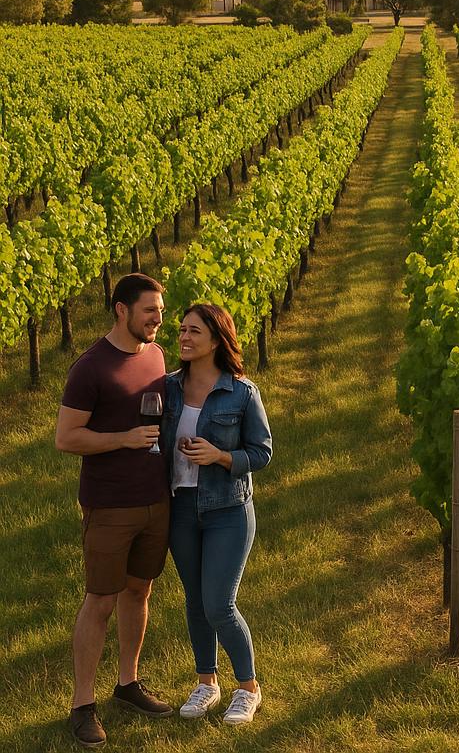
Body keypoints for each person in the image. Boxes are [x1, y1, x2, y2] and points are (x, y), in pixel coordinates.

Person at [56, 273, 175, 748]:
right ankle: (82, 704)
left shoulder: (156, 355)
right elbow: (67, 438)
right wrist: (123, 439)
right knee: (100, 600)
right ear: (121, 310)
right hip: (109, 504)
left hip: (156, 499)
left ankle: (128, 683)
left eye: (161, 311)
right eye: (150, 310)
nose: (158, 319)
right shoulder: (91, 368)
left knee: (139, 590)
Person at [161, 303, 272, 725]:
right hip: (181, 507)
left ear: (215, 340)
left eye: (194, 331)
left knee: (219, 605)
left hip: (228, 509)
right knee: (195, 601)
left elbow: (261, 452)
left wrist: (221, 456)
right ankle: (206, 682)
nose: (184, 337)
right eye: (182, 330)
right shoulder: (169, 388)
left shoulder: (241, 392)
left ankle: (248, 688)